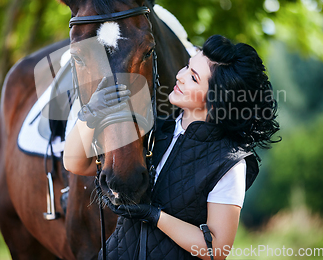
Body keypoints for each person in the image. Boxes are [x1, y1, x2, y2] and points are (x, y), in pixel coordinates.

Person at [64, 34, 280, 260]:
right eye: (187, 67)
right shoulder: (148, 128)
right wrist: (89, 113)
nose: (181, 76)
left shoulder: (229, 164)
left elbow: (216, 250)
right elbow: (77, 163)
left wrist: (156, 216)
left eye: (194, 78)